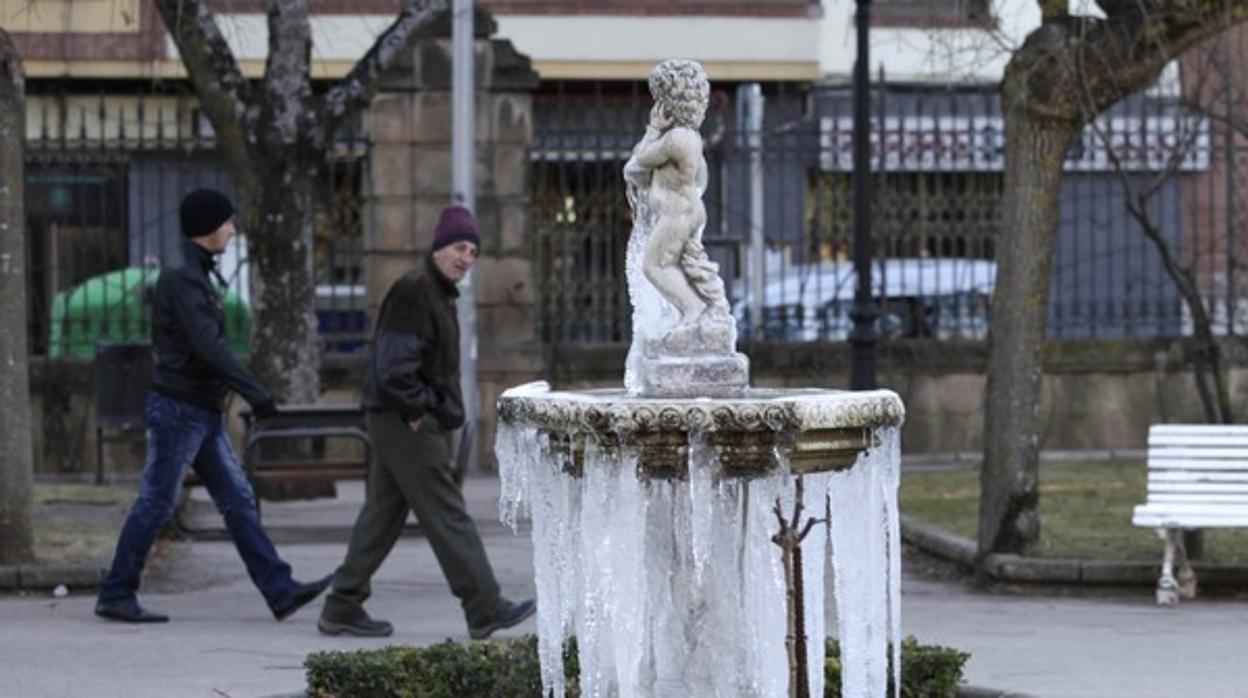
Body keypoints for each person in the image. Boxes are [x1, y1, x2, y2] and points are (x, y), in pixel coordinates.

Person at [94, 188, 331, 624]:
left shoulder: (196, 274)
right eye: (227, 221)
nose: (233, 228)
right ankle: (116, 591)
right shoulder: (184, 278)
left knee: (237, 499)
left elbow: (208, 345)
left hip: (198, 409)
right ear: (208, 226)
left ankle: (279, 589)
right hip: (179, 409)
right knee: (157, 501)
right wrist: (255, 392)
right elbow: (208, 347)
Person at [317, 205, 535, 639]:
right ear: (438, 247)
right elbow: (395, 365)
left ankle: (342, 604)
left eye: (473, 251)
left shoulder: (434, 292)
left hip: (399, 416)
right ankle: (485, 605)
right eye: (458, 247)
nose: (466, 257)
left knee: (382, 515)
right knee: (447, 512)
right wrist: (418, 409)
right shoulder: (417, 290)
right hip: (406, 420)